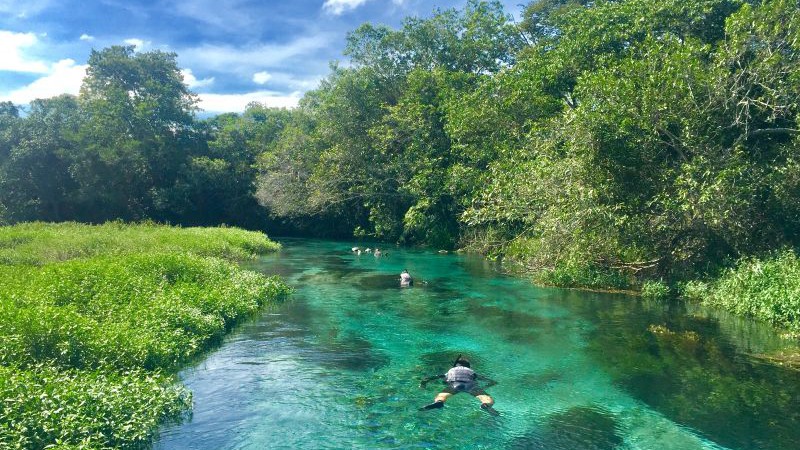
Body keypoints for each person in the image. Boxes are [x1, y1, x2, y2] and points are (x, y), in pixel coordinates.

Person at [419, 356, 498, 415]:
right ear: (468, 366)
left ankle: (439, 402)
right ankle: (486, 405)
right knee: (486, 398)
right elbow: (492, 382)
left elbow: (431, 378)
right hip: (470, 385)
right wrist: (484, 387)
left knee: (442, 396)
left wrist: (423, 384)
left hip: (455, 384)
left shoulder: (451, 370)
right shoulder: (470, 370)